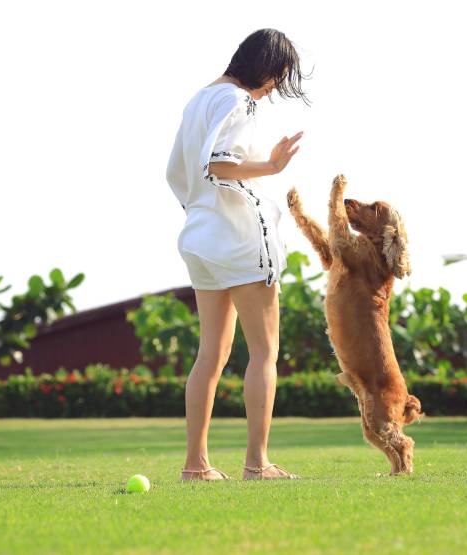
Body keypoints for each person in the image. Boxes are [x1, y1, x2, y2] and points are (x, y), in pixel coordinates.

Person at [165, 28, 308, 481]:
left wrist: (201, 210)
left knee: (211, 354)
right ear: (264, 68)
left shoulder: (197, 101)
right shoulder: (238, 101)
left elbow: (178, 172)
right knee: (265, 352)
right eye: (277, 79)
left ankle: (196, 465)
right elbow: (221, 164)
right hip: (239, 235)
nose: (272, 91)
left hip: (200, 234)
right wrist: (271, 166)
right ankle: (257, 462)